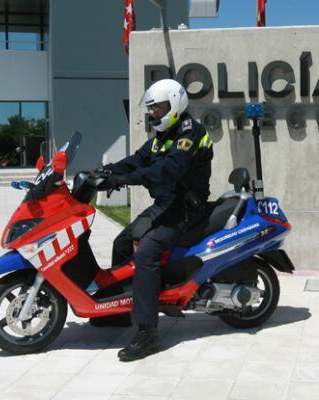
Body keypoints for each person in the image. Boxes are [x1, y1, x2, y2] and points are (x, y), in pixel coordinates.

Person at [97, 78, 214, 362]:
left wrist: (124, 179)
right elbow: (138, 160)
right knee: (123, 241)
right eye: (151, 109)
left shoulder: (189, 133)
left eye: (158, 108)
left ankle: (147, 333)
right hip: (166, 205)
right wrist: (105, 171)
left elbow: (168, 170)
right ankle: (118, 312)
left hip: (186, 209)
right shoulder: (164, 135)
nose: (153, 113)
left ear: (174, 104)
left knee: (147, 253)